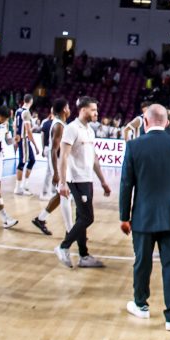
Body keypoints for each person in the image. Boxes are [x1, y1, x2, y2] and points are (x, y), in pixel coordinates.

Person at [119, 104, 170, 331]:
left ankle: (141, 305)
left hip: (143, 217)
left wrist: (124, 216)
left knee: (142, 263)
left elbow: (126, 185)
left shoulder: (134, 146)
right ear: (167, 122)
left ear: (145, 121)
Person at [55, 96, 112, 269]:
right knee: (88, 217)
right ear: (83, 110)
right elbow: (63, 156)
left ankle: (84, 256)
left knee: (81, 217)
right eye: (93, 110)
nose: (96, 113)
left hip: (87, 179)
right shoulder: (71, 129)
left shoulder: (89, 131)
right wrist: (62, 183)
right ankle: (63, 247)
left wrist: (103, 181)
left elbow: (94, 159)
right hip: (75, 180)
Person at [33, 98, 74, 236]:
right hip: (57, 161)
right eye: (68, 107)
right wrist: (55, 172)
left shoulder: (61, 123)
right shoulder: (59, 126)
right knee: (65, 194)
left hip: (61, 161)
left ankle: (40, 219)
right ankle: (70, 231)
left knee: (61, 194)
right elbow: (53, 150)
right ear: (64, 109)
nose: (69, 109)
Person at [13, 94, 37, 196]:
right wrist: (35, 145)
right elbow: (28, 130)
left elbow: (14, 125)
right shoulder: (26, 112)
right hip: (24, 140)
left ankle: (25, 185)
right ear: (31, 101)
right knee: (22, 163)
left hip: (21, 139)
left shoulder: (18, 111)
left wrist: (15, 138)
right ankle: (18, 188)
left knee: (32, 160)